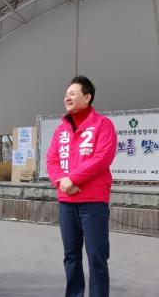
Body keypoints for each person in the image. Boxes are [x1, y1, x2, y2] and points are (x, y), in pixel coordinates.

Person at [46, 76, 117, 297]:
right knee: (71, 255)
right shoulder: (60, 130)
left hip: (93, 203)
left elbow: (102, 158)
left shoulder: (103, 124)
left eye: (73, 93)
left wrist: (73, 179)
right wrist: (62, 183)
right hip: (67, 203)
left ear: (87, 97)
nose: (67, 96)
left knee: (97, 256)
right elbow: (51, 161)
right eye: (66, 93)